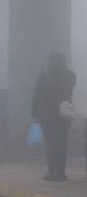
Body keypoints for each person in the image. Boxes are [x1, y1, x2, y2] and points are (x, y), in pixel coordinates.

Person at [32, 51, 77, 181]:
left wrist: (34, 113)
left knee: (50, 143)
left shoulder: (44, 76)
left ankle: (52, 171)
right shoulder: (70, 75)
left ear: (50, 61)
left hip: (48, 115)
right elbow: (69, 88)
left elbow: (37, 96)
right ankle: (61, 172)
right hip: (64, 115)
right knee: (61, 143)